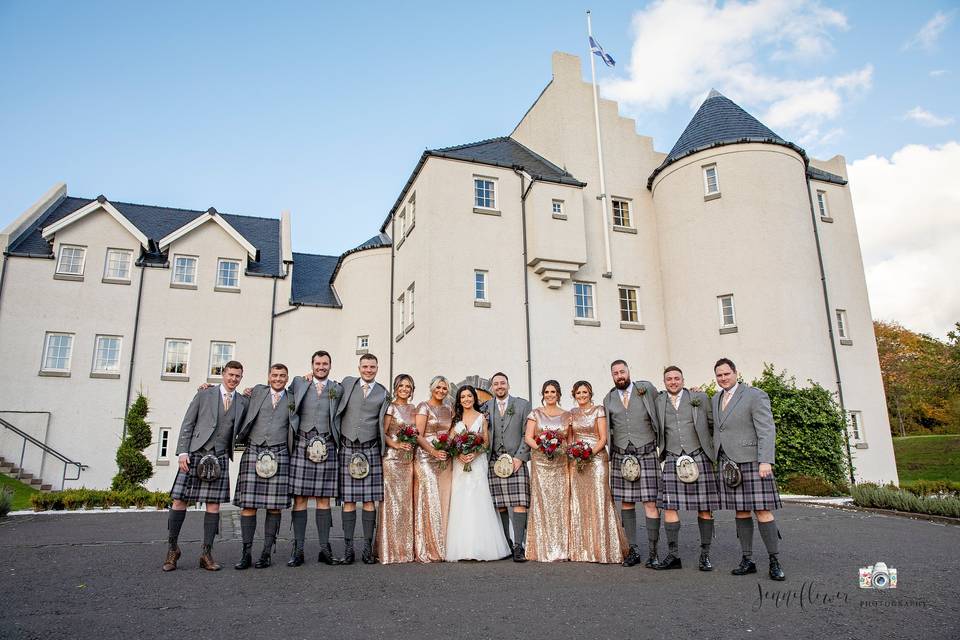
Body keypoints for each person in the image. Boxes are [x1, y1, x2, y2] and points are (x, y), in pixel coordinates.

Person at [163, 360, 247, 572]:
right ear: (223, 374)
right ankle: (172, 550)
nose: (233, 379)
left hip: (219, 456)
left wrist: (254, 390)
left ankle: (206, 553)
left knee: (214, 506)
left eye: (237, 376)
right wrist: (182, 451)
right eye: (230, 375)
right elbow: (188, 422)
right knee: (179, 501)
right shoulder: (204, 394)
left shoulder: (242, 401)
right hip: (195, 453)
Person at [712, 358, 785, 581]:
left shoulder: (754, 395)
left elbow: (766, 429)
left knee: (762, 510)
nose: (723, 378)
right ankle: (747, 559)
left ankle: (774, 560)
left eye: (727, 374)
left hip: (752, 461)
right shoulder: (715, 398)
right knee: (740, 512)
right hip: (728, 463)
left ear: (736, 373)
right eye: (719, 375)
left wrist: (765, 460)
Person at [654, 366, 720, 571]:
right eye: (669, 379)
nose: (673, 382)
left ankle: (705, 556)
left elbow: (712, 424)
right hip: (673, 457)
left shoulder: (699, 397)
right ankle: (674, 555)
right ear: (664, 382)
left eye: (676, 378)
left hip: (698, 455)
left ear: (683, 379)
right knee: (670, 507)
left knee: (704, 507)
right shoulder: (658, 401)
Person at [233, 363, 297, 570]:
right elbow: (234, 399)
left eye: (282, 376)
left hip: (280, 452)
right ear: (269, 376)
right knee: (248, 505)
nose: (278, 379)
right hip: (254, 450)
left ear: (287, 379)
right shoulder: (256, 392)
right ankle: (246, 553)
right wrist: (207, 388)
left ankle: (267, 553)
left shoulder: (293, 397)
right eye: (275, 375)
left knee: (274, 506)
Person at [603, 359, 663, 568]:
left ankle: (654, 551)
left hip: (646, 451)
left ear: (629, 372)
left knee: (650, 503)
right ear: (612, 376)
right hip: (621, 454)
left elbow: (664, 404)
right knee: (626, 503)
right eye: (615, 373)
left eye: (622, 371)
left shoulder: (645, 389)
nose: (619, 376)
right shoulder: (608, 398)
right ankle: (633, 550)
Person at [286, 350, 343, 566]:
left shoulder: (337, 388)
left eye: (325, 363)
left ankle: (324, 548)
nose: (321, 367)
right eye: (317, 363)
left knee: (323, 499)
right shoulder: (299, 383)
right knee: (299, 498)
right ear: (312, 365)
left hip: (327, 444)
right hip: (302, 442)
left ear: (330, 365)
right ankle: (298, 549)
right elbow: (278, 392)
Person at [444, 385, 511, 561]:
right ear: (459, 400)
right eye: (463, 397)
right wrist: (458, 455)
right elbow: (450, 441)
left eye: (469, 396)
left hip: (477, 463)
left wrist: (475, 452)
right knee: (461, 501)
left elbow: (486, 443)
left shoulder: (482, 417)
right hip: (460, 464)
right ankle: (462, 548)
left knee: (479, 500)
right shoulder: (456, 419)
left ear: (474, 398)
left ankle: (483, 547)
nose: (466, 399)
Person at [336, 353, 390, 564]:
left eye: (372, 367)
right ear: (359, 367)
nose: (368, 370)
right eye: (365, 366)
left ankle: (367, 549)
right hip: (348, 447)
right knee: (348, 501)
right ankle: (349, 549)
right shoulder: (347, 384)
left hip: (370, 449)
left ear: (377, 368)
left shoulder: (384, 393)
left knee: (369, 501)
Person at [567, 380, 628, 563]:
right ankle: (583, 550)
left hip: (597, 460)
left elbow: (603, 438)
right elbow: (571, 439)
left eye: (585, 392)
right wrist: (575, 454)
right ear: (574, 395)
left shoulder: (599, 410)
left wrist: (588, 454)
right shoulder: (572, 413)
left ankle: (604, 549)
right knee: (580, 502)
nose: (582, 396)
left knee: (600, 500)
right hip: (578, 462)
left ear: (590, 393)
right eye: (578, 393)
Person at [481, 372, 532, 562]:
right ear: (492, 387)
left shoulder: (522, 404)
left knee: (519, 503)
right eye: (496, 384)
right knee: (499, 504)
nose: (499, 386)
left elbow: (527, 433)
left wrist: (520, 457)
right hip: (494, 460)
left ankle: (519, 545)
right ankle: (506, 543)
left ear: (508, 385)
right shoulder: (485, 407)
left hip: (515, 460)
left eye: (503, 383)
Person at [524, 380, 571, 562]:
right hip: (541, 462)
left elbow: (568, 439)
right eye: (547, 392)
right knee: (542, 502)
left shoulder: (567, 415)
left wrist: (559, 448)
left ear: (558, 394)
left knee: (560, 503)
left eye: (553, 392)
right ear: (543, 394)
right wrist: (542, 447)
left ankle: (561, 548)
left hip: (560, 462)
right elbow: (528, 437)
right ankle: (541, 547)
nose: (550, 395)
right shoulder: (535, 413)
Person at [375, 374, 417, 564]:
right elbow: (383, 433)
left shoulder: (413, 408)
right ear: (396, 387)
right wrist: (397, 445)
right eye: (401, 385)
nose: (405, 389)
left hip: (408, 460)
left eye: (408, 386)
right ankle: (389, 550)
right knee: (392, 504)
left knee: (406, 504)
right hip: (392, 460)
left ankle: (405, 550)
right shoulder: (390, 407)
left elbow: (417, 432)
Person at [413, 375, 453, 562]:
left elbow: (451, 432)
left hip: (444, 458)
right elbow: (418, 435)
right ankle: (428, 546)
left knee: (443, 499)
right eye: (438, 387)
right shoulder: (423, 407)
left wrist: (448, 448)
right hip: (425, 457)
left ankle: (442, 543)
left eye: (444, 388)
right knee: (429, 499)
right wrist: (433, 451)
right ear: (431, 388)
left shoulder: (448, 409)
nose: (441, 391)